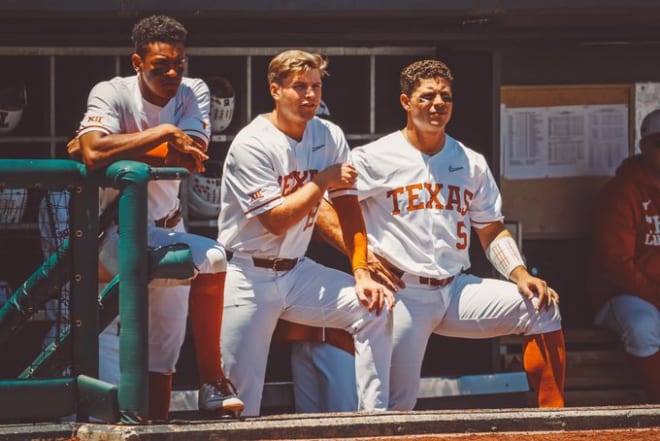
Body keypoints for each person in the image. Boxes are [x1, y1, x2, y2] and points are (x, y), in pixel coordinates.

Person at [314, 59, 566, 410]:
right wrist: (362, 257)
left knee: (541, 307)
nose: (437, 104)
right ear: (406, 102)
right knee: (391, 406)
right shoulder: (375, 156)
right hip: (402, 294)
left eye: (445, 97)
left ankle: (553, 421)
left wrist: (519, 273)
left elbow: (490, 227)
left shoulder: (470, 161)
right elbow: (322, 207)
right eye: (427, 96)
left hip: (454, 289)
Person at [74, 14, 243, 420]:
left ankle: (186, 404)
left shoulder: (192, 91)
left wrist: (110, 146)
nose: (171, 72)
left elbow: (190, 158)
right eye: (159, 66)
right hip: (110, 233)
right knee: (212, 259)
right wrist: (162, 134)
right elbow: (94, 153)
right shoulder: (111, 92)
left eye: (178, 63)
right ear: (137, 63)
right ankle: (210, 381)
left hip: (166, 227)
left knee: (164, 352)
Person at [217, 49, 394, 417]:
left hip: (297, 271)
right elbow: (276, 221)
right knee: (238, 399)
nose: (310, 95)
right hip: (247, 274)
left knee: (375, 307)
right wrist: (322, 180)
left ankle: (373, 420)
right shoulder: (252, 143)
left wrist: (361, 270)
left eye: (315, 86)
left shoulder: (329, 134)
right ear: (275, 90)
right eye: (299, 86)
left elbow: (347, 208)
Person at [269, 100, 359, 414]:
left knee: (345, 417)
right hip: (301, 320)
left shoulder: (344, 171)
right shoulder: (284, 170)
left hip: (340, 328)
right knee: (307, 420)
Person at [587, 108, 660, 404]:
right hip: (622, 296)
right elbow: (617, 266)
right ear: (644, 146)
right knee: (643, 327)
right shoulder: (621, 192)